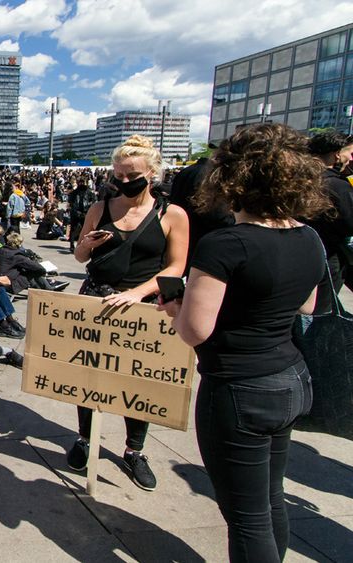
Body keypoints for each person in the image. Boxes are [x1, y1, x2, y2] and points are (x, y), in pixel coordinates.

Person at [157, 123, 327, 562]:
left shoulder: (225, 244)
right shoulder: (308, 236)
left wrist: (174, 305)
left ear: (231, 179)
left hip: (239, 388)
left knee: (247, 517)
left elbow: (195, 331)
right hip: (290, 377)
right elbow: (307, 305)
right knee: (272, 497)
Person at [69, 135, 189, 491]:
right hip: (96, 301)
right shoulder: (99, 208)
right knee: (86, 377)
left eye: (131, 174)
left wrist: (137, 293)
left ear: (152, 173)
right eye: (118, 174)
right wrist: (85, 244)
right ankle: (85, 438)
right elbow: (79, 257)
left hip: (143, 306)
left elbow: (176, 266)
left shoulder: (172, 214)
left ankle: (134, 451)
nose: (123, 181)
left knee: (138, 383)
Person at [305, 131, 353, 313]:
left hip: (297, 253)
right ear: (337, 154)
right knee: (321, 313)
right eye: (350, 153)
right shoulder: (339, 186)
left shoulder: (298, 180)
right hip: (328, 257)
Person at [169, 153, 235, 270]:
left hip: (183, 231)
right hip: (202, 235)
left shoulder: (185, 172)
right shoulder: (208, 176)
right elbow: (214, 214)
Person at [0, 232, 69, 292]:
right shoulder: (17, 256)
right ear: (19, 244)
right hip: (9, 283)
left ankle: (40, 286)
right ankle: (47, 287)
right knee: (32, 270)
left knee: (26, 269)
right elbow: (39, 268)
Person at [67, 179, 95, 253]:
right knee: (73, 229)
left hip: (85, 212)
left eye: (83, 182)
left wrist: (88, 209)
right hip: (76, 213)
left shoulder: (89, 192)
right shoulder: (74, 193)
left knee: (85, 229)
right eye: (81, 182)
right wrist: (75, 211)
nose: (82, 183)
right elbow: (71, 202)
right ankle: (72, 245)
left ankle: (84, 245)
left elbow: (93, 201)